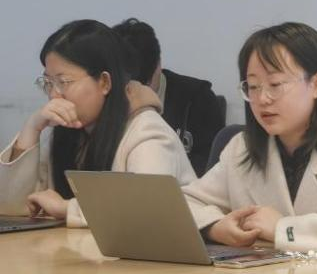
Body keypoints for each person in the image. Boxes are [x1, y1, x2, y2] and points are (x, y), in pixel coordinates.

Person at [183, 22, 317, 253]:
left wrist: (282, 229)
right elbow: (183, 205)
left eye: (275, 84)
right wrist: (214, 227)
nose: (263, 99)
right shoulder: (243, 147)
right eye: (254, 86)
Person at [0, 19, 196, 227]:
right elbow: (14, 210)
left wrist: (67, 208)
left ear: (104, 82)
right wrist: (32, 128)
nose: (54, 95)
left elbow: (146, 213)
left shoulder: (148, 133)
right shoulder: (68, 131)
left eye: (63, 82)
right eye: (48, 83)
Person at [113, 18, 225, 176]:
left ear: (158, 64)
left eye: (144, 84)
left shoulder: (198, 98)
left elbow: (212, 166)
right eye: (127, 88)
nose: (137, 95)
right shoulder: (103, 101)